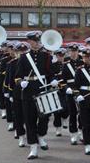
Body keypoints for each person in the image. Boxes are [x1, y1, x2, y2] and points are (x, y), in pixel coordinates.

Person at [15, 31, 53, 160]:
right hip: (28, 92)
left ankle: (41, 136)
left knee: (44, 117)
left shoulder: (46, 57)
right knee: (30, 120)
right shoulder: (24, 57)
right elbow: (17, 77)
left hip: (42, 89)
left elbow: (50, 73)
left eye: (37, 41)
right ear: (29, 42)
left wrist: (52, 80)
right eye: (33, 41)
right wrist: (21, 83)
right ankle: (33, 148)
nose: (36, 44)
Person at [63, 43, 84, 145]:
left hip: (81, 91)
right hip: (70, 91)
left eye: (75, 51)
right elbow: (62, 80)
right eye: (72, 51)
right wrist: (66, 88)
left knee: (82, 112)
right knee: (72, 113)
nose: (74, 53)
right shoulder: (66, 64)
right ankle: (73, 134)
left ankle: (81, 131)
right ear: (69, 52)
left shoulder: (82, 63)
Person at [51, 48, 68, 137]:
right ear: (56, 56)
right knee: (57, 109)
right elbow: (50, 75)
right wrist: (53, 80)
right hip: (56, 89)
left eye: (62, 56)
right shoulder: (52, 65)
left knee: (67, 107)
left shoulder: (67, 65)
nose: (61, 57)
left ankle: (65, 117)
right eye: (59, 56)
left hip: (66, 89)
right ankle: (58, 127)